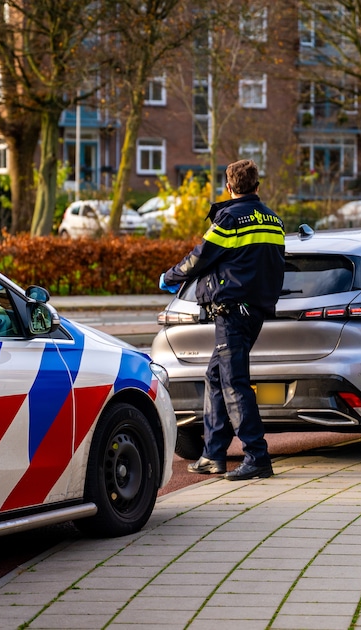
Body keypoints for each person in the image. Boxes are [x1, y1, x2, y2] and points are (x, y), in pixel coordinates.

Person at [159, 160, 285, 481]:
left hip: (231, 310)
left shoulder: (230, 219)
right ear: (257, 186)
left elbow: (200, 257)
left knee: (233, 382)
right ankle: (213, 454)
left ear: (229, 187)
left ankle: (257, 455)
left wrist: (169, 276)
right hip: (256, 309)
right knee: (215, 377)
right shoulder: (274, 220)